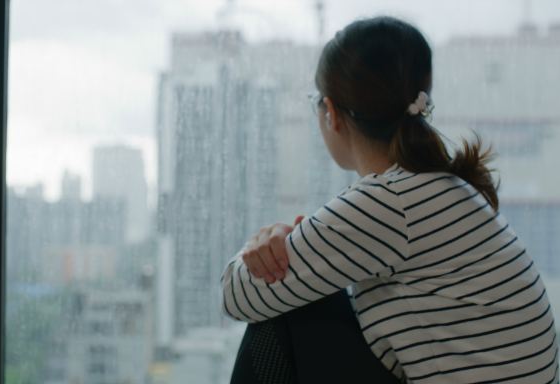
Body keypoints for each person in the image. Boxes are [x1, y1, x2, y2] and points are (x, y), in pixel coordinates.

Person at [221, 16, 558, 383]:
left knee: (286, 311)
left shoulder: (389, 203)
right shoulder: (441, 187)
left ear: (331, 114)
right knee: (304, 288)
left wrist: (257, 247)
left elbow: (236, 295)